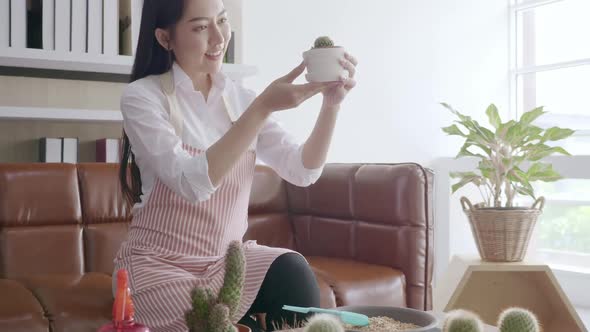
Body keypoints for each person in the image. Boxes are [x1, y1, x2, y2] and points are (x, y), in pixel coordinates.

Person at [114, 0, 357, 331]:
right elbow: (191, 183)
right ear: (164, 38)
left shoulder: (241, 98)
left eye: (222, 21)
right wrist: (262, 108)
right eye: (200, 27)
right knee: (224, 325)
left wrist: (331, 105)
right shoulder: (143, 98)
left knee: (292, 270)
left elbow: (302, 170)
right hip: (159, 269)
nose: (218, 38)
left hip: (226, 266)